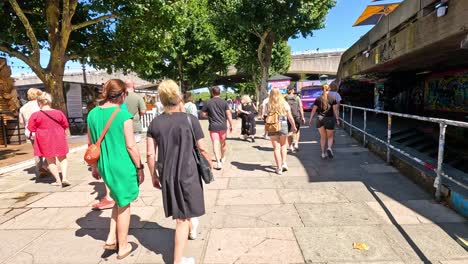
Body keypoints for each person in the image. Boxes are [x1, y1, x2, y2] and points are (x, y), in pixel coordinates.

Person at [146, 79, 212, 264]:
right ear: (178, 96)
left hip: (167, 174)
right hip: (189, 173)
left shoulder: (155, 124)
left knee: (183, 211)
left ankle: (192, 226)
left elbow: (150, 153)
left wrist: (153, 175)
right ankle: (177, 261)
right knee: (181, 219)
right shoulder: (191, 120)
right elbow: (202, 148)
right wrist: (210, 165)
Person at [87, 79, 144, 259]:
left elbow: (90, 143)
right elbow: (131, 146)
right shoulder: (122, 115)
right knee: (125, 203)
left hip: (104, 164)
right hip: (122, 164)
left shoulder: (92, 114)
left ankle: (112, 238)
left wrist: (94, 167)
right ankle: (124, 246)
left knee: (118, 200)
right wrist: (140, 166)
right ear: (122, 95)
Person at [28, 92, 70, 187]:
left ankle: (58, 181)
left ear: (39, 102)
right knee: (62, 158)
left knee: (50, 160)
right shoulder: (59, 113)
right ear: (50, 101)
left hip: (44, 138)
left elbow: (31, 128)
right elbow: (65, 125)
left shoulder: (35, 115)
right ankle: (65, 178)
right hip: (58, 136)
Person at [266, 88, 297, 175]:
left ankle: (279, 168)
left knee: (276, 148)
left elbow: (266, 115)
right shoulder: (284, 103)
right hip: (283, 124)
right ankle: (284, 163)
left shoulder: (268, 104)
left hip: (272, 126)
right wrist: (294, 126)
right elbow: (290, 117)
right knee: (283, 145)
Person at [201, 86, 233, 170]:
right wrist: (231, 124)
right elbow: (229, 114)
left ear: (212, 93)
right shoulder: (224, 102)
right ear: (220, 93)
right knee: (223, 143)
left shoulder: (208, 102)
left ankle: (218, 162)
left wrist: (209, 115)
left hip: (213, 126)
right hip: (223, 126)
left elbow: (203, 114)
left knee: (215, 143)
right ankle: (223, 157)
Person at [19, 88, 48, 179]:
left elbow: (21, 122)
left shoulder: (23, 108)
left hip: (30, 132)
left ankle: (39, 168)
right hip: (42, 130)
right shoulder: (40, 105)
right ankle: (45, 165)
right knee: (48, 149)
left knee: (37, 150)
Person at [308, 84, 340, 159]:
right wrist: (337, 119)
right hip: (329, 119)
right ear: (329, 89)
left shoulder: (318, 98)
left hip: (319, 119)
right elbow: (335, 110)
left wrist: (310, 119)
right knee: (330, 137)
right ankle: (329, 148)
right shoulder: (333, 98)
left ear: (321, 89)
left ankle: (323, 153)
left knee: (322, 137)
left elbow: (313, 110)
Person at [285, 86, 305, 152]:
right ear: (292, 90)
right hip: (296, 117)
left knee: (288, 131)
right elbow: (301, 108)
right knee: (297, 130)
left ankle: (290, 146)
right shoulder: (297, 98)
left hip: (288, 117)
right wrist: (302, 117)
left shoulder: (285, 98)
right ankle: (296, 143)